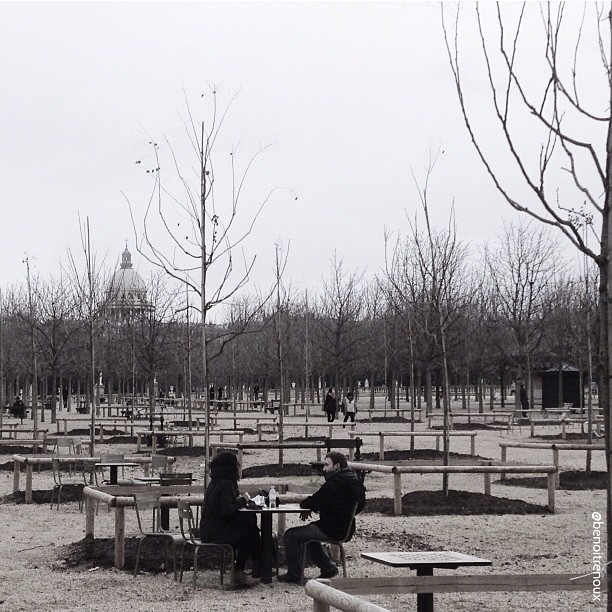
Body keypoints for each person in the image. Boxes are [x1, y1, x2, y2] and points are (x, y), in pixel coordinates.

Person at [278, 452, 366, 584]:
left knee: (291, 535)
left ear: (336, 466)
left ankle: (294, 574)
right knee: (309, 535)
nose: (324, 468)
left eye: (326, 465)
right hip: (346, 528)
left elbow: (314, 501)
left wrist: (308, 507)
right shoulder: (355, 483)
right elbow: (359, 506)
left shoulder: (334, 483)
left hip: (331, 529)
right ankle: (328, 567)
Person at [199, 452, 261, 588]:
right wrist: (243, 501)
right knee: (250, 535)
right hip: (217, 532)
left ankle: (254, 568)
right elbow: (226, 510)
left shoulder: (215, 482)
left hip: (208, 530)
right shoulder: (226, 484)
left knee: (250, 530)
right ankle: (242, 572)